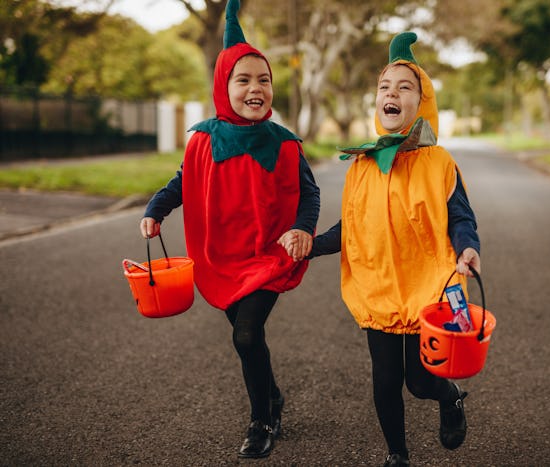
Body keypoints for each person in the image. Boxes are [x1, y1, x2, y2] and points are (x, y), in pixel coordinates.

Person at [138, 0, 319, 459]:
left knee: (246, 335)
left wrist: (302, 227)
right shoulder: (203, 138)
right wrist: (157, 208)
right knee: (244, 333)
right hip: (221, 256)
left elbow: (309, 193)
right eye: (243, 79)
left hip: (268, 254)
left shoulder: (285, 143)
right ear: (224, 86)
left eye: (264, 80)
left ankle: (262, 420)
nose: (255, 87)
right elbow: (184, 180)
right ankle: (272, 395)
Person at [298, 31, 481, 467]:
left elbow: (461, 217)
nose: (392, 93)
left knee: (419, 381)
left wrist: (468, 247)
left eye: (405, 87)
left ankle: (449, 396)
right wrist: (312, 246)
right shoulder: (361, 163)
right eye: (385, 87)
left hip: (430, 284)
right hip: (378, 284)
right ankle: (396, 454)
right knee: (385, 380)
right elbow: (353, 226)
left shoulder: (439, 163)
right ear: (376, 102)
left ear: (422, 103)